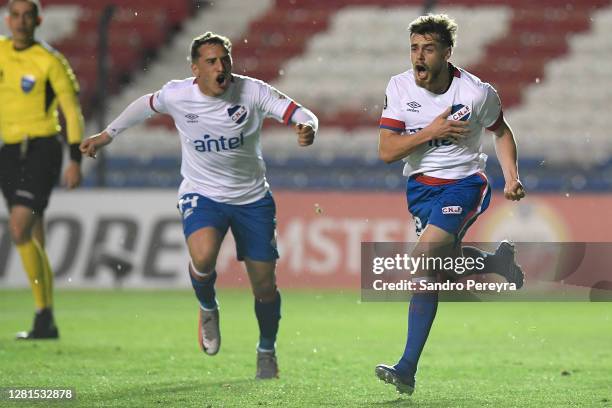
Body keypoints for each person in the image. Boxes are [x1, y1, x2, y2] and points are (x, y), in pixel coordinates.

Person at [80, 32, 318, 379]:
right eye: (211, 61)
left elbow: (300, 112)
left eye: (225, 60)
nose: (221, 67)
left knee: (264, 286)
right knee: (203, 257)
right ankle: (208, 307)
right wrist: (108, 134)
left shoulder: (252, 91)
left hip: (252, 198)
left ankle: (266, 349)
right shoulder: (178, 95)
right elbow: (144, 105)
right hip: (202, 193)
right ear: (196, 69)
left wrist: (307, 126)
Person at [375, 14, 525, 394]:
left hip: (464, 185)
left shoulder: (475, 93)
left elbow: (501, 131)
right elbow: (387, 151)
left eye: (428, 48)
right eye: (414, 48)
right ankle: (495, 262)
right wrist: (432, 132)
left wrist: (511, 177)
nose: (418, 57)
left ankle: (406, 368)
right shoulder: (399, 86)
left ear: (446, 52)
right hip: (420, 191)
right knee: (438, 269)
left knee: (422, 265)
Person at [0, 0, 84, 339]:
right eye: (15, 16)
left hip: (42, 149)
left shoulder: (50, 61)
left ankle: (42, 314)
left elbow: (71, 110)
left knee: (19, 229)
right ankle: (46, 321)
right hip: (7, 151)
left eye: (27, 16)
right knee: (33, 234)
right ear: (8, 19)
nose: (20, 22)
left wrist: (75, 158)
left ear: (39, 20)